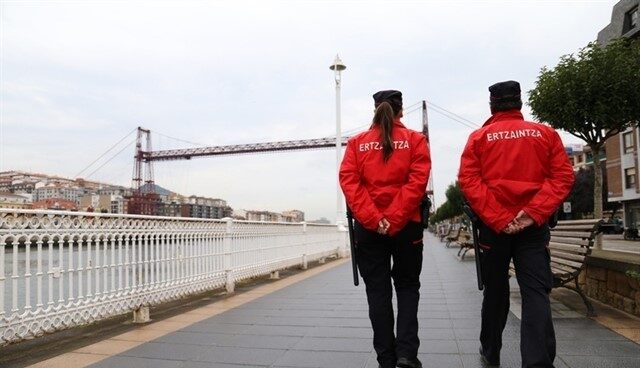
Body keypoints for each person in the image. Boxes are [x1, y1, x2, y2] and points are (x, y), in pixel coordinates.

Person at [458, 81, 574, 368]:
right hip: (533, 229)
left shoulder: (479, 138)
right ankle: (537, 362)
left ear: (492, 105)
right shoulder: (545, 134)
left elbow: (469, 181)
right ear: (519, 103)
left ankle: (491, 351)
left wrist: (499, 218)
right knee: (535, 292)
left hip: (493, 230)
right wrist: (532, 213)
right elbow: (562, 177)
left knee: (495, 291)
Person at [340, 90, 431, 368]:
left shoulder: (356, 144)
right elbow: (417, 183)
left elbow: (349, 183)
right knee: (407, 288)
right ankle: (406, 354)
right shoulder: (416, 141)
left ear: (375, 110)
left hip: (369, 230)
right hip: (407, 227)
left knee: (377, 293)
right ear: (401, 110)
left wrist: (375, 218)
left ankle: (385, 358)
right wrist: (394, 217)